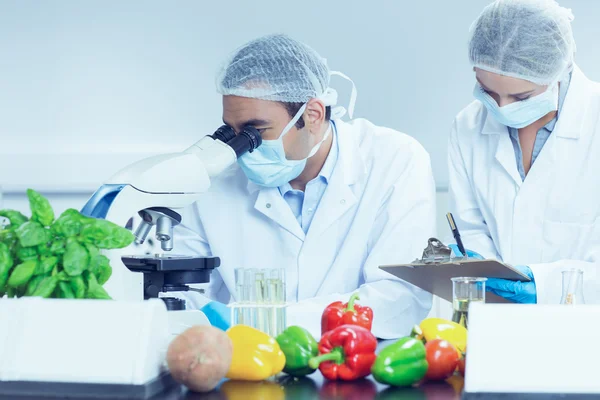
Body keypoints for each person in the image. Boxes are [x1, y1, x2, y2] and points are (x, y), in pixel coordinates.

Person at [173, 34, 436, 339]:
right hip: (251, 365)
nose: (242, 147)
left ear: (312, 115)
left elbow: (399, 299)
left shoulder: (395, 159)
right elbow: (183, 295)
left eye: (256, 132)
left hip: (359, 365)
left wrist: (260, 323)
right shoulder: (217, 179)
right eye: (232, 132)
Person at [448, 0, 600, 305]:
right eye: (487, 91)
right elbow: (473, 231)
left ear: (558, 70)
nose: (502, 108)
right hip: (498, 319)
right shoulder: (467, 126)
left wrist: (547, 286)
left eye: (522, 96)